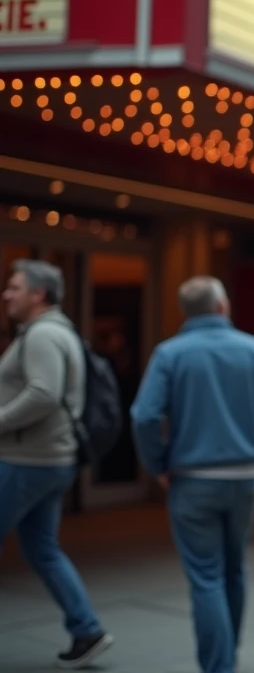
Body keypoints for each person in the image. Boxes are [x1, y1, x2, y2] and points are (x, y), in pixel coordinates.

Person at [131, 276, 254, 673]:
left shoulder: (169, 353)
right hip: (243, 477)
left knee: (206, 577)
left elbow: (144, 416)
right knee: (234, 569)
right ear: (222, 306)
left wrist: (158, 465)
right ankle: (228, 656)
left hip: (192, 479)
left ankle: (218, 665)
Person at [0, 260, 115, 669]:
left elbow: (44, 394)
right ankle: (87, 631)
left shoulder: (43, 335)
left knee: (44, 549)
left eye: (14, 287)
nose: (6, 294)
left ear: (38, 294)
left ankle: (87, 629)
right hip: (48, 460)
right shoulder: (56, 331)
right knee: (42, 549)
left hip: (26, 461)